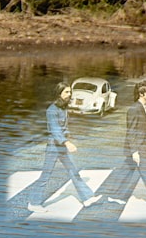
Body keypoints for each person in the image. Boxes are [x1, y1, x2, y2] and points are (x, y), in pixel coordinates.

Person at [27, 82, 101, 212]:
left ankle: (87, 198)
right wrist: (67, 143)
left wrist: (68, 139)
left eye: (70, 92)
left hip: (61, 146)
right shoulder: (52, 110)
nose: (70, 94)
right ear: (59, 93)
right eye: (67, 92)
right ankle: (34, 203)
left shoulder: (63, 108)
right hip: (54, 146)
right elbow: (55, 130)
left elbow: (63, 128)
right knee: (46, 175)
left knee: (73, 171)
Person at [104, 83, 146, 207]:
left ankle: (115, 195)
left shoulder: (143, 107)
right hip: (138, 148)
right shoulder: (134, 109)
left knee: (126, 171)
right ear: (141, 94)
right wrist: (134, 151)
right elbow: (131, 131)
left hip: (141, 146)